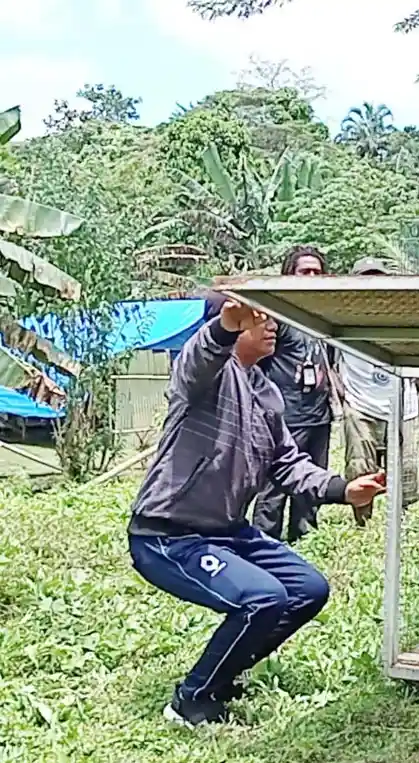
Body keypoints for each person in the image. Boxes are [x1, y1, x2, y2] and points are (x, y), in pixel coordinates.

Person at [127, 294, 386, 727]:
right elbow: (199, 357)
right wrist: (225, 325)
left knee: (307, 588)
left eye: (273, 321)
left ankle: (223, 673)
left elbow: (287, 463)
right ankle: (191, 701)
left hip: (226, 530)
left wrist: (344, 490)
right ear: (232, 324)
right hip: (168, 534)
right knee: (262, 598)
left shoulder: (264, 390)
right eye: (260, 319)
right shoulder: (204, 377)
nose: (271, 328)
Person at [252, 246, 335, 543]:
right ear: (289, 275)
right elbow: (256, 362)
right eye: (305, 271)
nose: (311, 277)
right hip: (285, 417)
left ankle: (306, 539)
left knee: (312, 480)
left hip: (319, 415)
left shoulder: (326, 316)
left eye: (317, 271)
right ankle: (265, 543)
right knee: (275, 484)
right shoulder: (278, 318)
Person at [338, 258, 419, 524]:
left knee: (406, 465)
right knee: (360, 466)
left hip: (401, 404)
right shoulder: (340, 314)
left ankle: (402, 518)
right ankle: (362, 520)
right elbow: (326, 356)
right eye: (365, 278)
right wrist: (337, 390)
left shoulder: (402, 314)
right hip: (360, 404)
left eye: (377, 277)